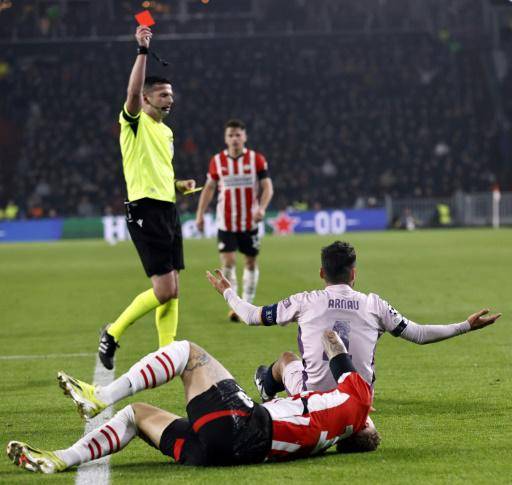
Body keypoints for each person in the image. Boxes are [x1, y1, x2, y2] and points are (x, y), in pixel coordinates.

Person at [7, 330, 379, 474]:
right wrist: (275, 380)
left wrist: (322, 325)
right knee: (136, 416)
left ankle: (100, 396)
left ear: (363, 425)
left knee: (188, 352)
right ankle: (61, 458)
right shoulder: (327, 428)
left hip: (243, 425)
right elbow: (288, 365)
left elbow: (333, 344)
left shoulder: (357, 401)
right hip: (223, 453)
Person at [206, 241, 501, 400]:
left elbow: (251, 316)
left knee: (286, 359)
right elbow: (420, 334)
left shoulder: (305, 301)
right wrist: (465, 325)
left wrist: (228, 292)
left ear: (322, 273)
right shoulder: (374, 304)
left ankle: (266, 387)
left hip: (314, 398)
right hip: (358, 400)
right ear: (354, 273)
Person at [98, 25, 196, 370]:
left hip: (167, 208)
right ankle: (113, 332)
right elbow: (131, 90)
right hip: (145, 209)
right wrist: (142, 50)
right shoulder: (134, 122)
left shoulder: (166, 132)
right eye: (164, 94)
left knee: (174, 287)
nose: (170, 99)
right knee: (164, 289)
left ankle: (167, 352)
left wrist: (178, 185)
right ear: (147, 98)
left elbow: (160, 172)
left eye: (171, 95)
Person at [195, 119, 274, 321]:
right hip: (226, 222)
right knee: (228, 262)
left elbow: (267, 187)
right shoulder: (217, 161)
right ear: (225, 138)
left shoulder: (256, 159)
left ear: (244, 137)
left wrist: (262, 208)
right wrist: (200, 213)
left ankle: (247, 302)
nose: (235, 139)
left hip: (250, 222)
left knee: (250, 262)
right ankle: (236, 306)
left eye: (238, 134)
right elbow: (209, 188)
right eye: (231, 135)